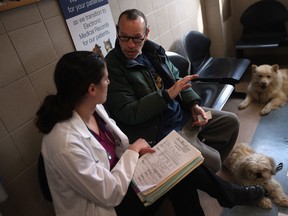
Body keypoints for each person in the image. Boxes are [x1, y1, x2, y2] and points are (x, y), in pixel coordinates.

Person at [35, 51, 265, 216]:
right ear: (91, 89)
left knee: (178, 170)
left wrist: (135, 154)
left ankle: (229, 194)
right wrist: (133, 152)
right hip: (107, 205)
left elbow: (116, 149)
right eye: (106, 78)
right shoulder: (65, 142)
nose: (109, 81)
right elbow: (109, 194)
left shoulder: (93, 108)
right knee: (179, 175)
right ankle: (230, 194)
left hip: (122, 179)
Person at [105, 9, 239, 173]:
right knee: (215, 162)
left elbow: (176, 79)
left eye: (137, 38)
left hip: (183, 114)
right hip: (162, 130)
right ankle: (200, 172)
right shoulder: (112, 66)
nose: (130, 45)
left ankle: (198, 171)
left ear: (146, 34)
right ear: (117, 31)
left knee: (231, 122)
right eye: (124, 37)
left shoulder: (152, 51)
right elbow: (127, 112)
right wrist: (167, 95)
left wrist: (193, 104)